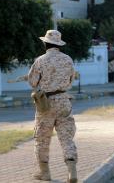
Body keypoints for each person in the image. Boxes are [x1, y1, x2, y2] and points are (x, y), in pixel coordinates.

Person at [27, 30, 78, 182]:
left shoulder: (40, 60)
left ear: (45, 43)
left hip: (46, 103)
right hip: (63, 99)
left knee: (42, 138)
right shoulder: (68, 59)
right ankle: (72, 172)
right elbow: (70, 80)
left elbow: (32, 82)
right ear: (58, 44)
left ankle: (45, 173)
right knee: (66, 136)